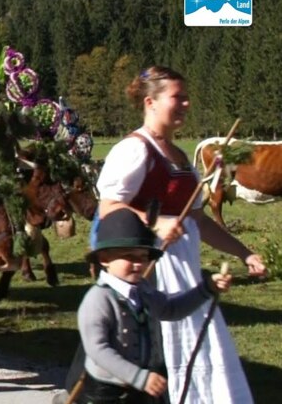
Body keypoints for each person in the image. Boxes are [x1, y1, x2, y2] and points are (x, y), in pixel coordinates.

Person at [95, 66, 267, 403]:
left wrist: (244, 253)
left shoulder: (180, 156)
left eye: (187, 97)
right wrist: (154, 223)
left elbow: (199, 222)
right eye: (178, 97)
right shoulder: (135, 150)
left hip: (184, 271)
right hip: (149, 273)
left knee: (196, 350)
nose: (186, 104)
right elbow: (108, 207)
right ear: (151, 102)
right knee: (154, 359)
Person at [77, 208, 232, 404]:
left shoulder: (144, 290)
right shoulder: (98, 299)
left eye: (143, 257)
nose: (138, 264)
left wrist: (206, 288)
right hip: (108, 393)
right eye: (129, 256)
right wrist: (139, 377)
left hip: (143, 388)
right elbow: (97, 350)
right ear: (105, 259)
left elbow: (170, 310)